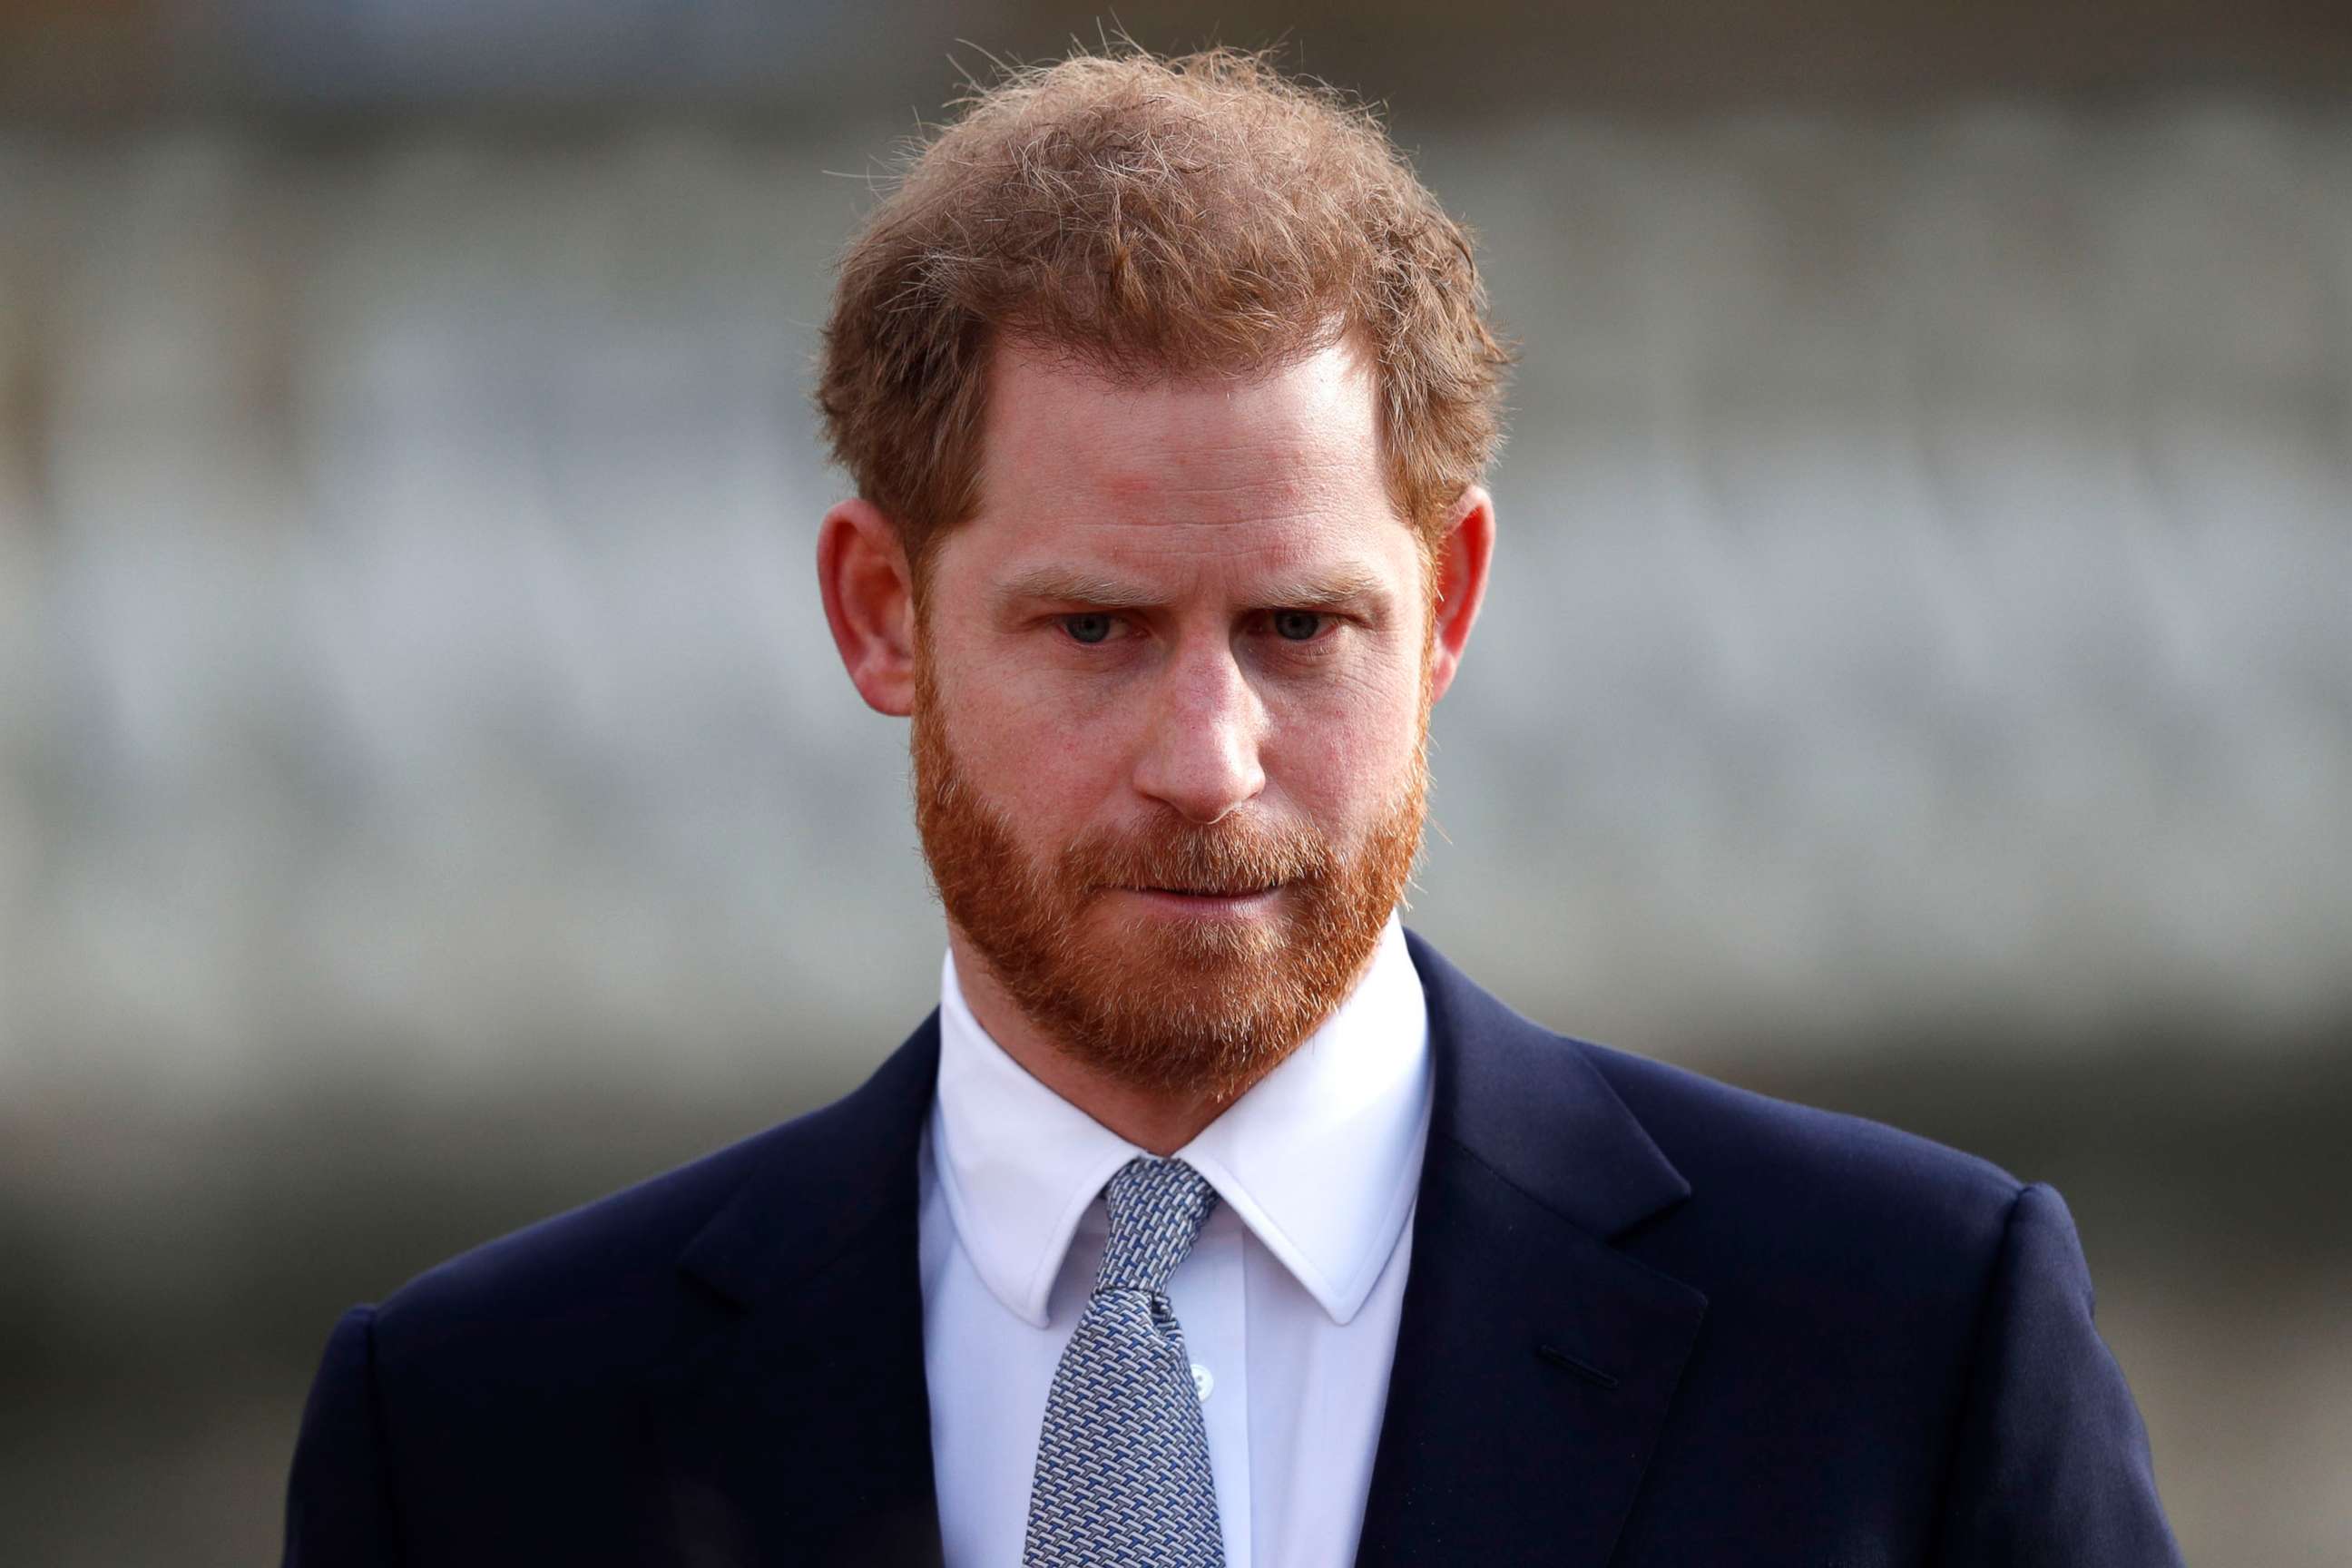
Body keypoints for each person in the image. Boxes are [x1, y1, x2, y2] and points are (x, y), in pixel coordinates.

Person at [282, 47, 2183, 1568]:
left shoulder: (1900, 1343)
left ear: (1444, 608)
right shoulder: (476, 1434)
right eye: (1094, 628)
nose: (1210, 757)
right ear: (884, 614)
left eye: (1297, 627)